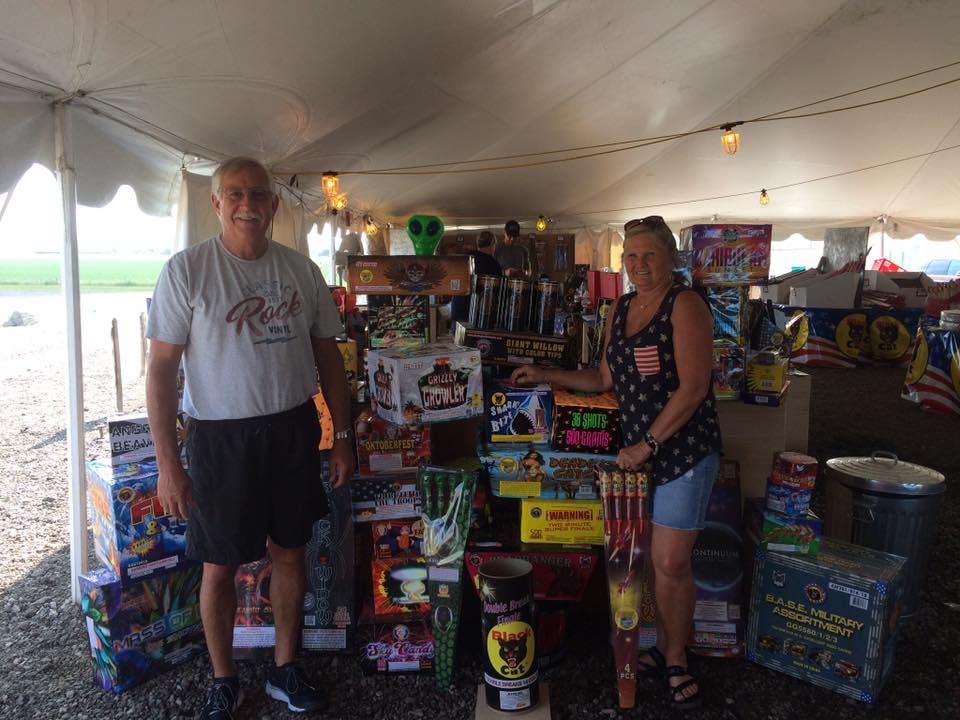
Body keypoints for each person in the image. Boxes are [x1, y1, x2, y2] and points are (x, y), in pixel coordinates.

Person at [145, 157, 355, 720]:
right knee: (219, 564)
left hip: (292, 429)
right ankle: (224, 679)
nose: (247, 204)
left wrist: (342, 436)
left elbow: (329, 358)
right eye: (234, 194)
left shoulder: (300, 270)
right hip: (220, 438)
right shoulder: (188, 270)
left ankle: (286, 667)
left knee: (290, 551)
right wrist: (168, 463)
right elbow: (161, 370)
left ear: (274, 205)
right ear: (216, 202)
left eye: (258, 194)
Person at [511, 215, 720, 711]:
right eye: (631, 256)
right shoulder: (621, 307)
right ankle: (659, 649)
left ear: (671, 257)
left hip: (683, 451)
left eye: (649, 255)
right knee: (647, 561)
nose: (639, 265)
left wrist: (647, 444)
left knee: (671, 561)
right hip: (638, 453)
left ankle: (675, 658)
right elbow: (604, 377)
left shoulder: (685, 304)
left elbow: (694, 388)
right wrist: (546, 374)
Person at [449, 230, 503, 324]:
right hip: (478, 314)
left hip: (458, 308)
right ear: (492, 244)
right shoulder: (493, 265)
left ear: (478, 244)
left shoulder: (465, 258)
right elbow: (496, 292)